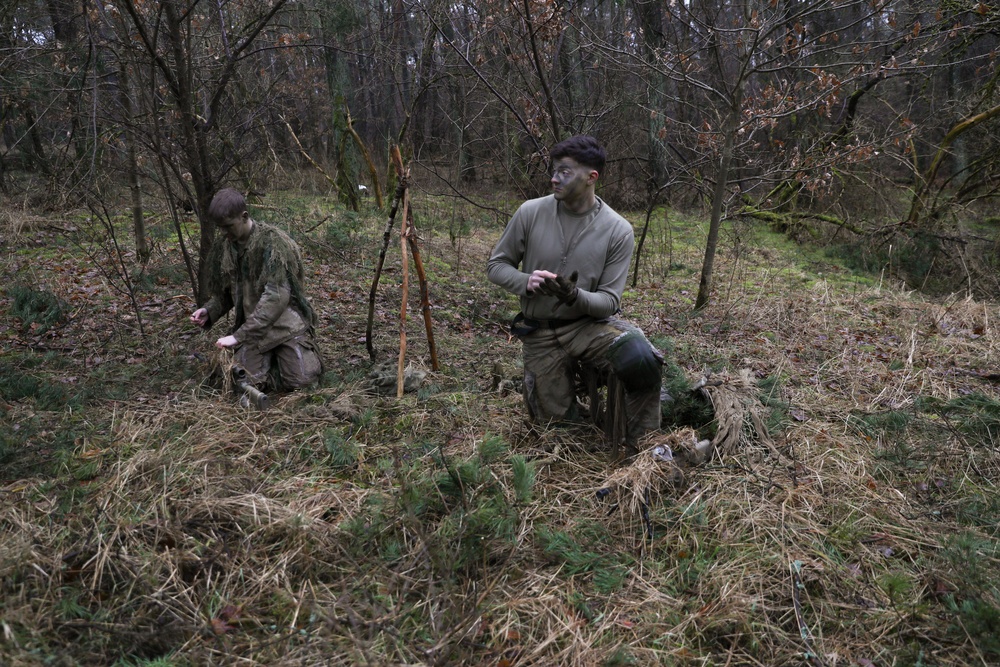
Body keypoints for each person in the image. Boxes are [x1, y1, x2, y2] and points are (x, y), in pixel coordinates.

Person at [486, 135, 662, 452]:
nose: (554, 178)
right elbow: (497, 265)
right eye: (554, 170)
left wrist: (574, 295)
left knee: (640, 359)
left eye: (565, 172)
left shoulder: (617, 229)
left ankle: (646, 449)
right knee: (560, 435)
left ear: (591, 177)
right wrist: (526, 281)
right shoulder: (530, 212)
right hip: (539, 331)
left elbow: (609, 301)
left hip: (586, 327)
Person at [190, 188, 323, 393]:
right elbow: (227, 293)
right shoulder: (225, 247)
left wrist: (238, 336)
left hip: (284, 327)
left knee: (302, 383)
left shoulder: (274, 244)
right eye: (220, 228)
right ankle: (268, 365)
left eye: (228, 226)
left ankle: (281, 361)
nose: (224, 233)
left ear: (244, 217)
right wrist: (209, 311)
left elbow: (276, 297)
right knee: (241, 383)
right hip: (253, 331)